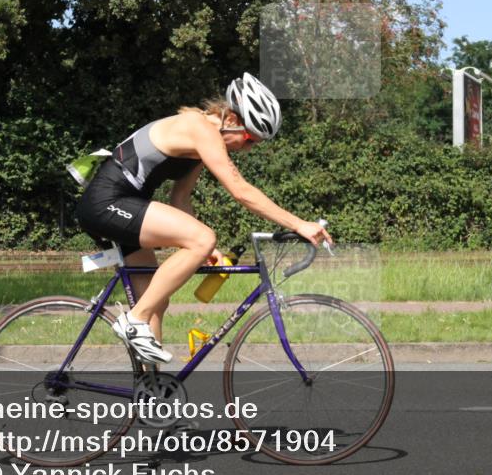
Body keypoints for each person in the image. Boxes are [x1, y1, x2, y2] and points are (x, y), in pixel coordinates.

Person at [75, 73, 333, 364]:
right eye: (249, 139)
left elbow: (180, 198)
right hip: (107, 202)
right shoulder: (199, 128)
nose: (247, 149)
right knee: (202, 238)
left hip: (122, 204)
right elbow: (239, 189)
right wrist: (299, 224)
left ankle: (151, 395)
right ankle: (133, 321)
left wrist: (207, 252)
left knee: (156, 301)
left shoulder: (200, 142)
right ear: (233, 120)